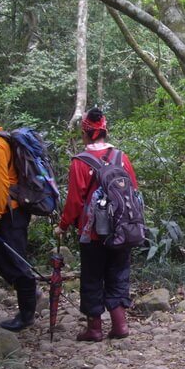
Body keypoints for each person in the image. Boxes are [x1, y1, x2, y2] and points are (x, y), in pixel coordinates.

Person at [54, 107, 138, 342]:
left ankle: (95, 329)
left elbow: (74, 202)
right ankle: (120, 325)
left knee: (92, 277)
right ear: (105, 131)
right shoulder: (122, 158)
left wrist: (62, 225)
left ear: (85, 134)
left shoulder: (80, 162)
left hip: (92, 234)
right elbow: (134, 191)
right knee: (118, 274)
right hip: (122, 230)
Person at [0, 95, 38, 331]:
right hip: (7, 211)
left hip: (9, 213)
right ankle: (31, 295)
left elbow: (2, 184)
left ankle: (26, 315)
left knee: (17, 264)